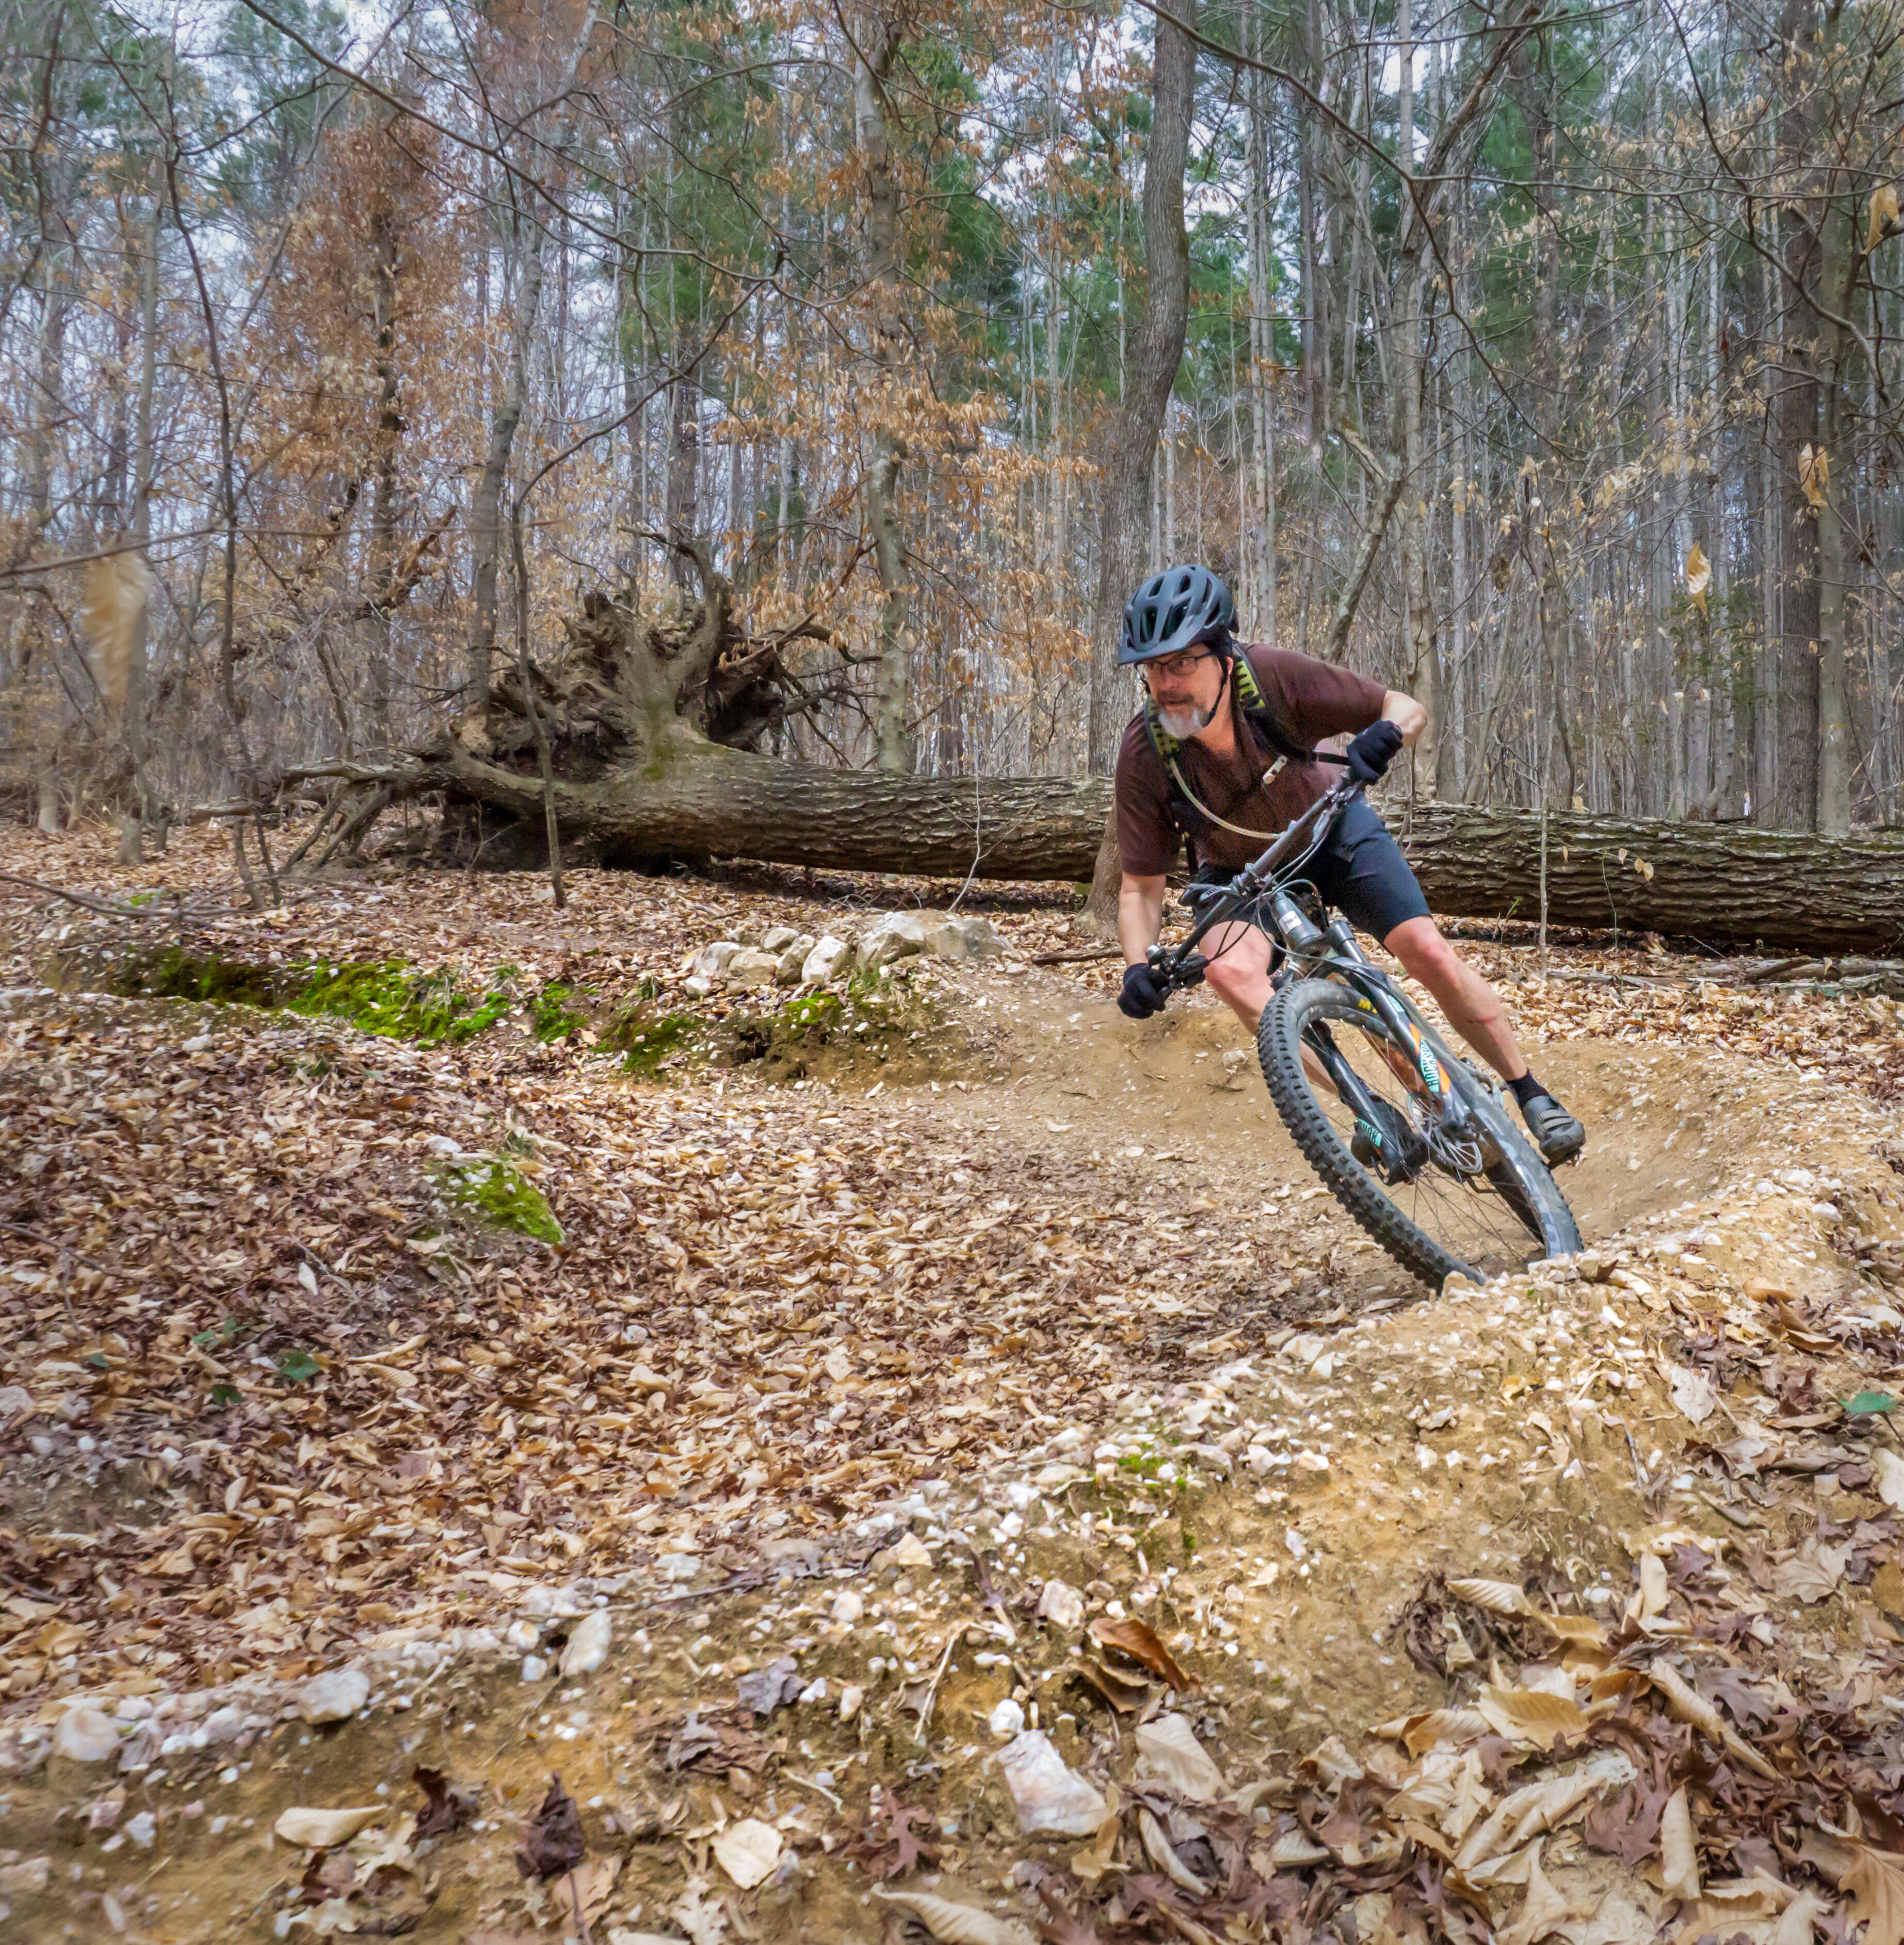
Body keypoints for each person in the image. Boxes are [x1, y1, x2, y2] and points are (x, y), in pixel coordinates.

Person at [1111, 563, 1585, 1169]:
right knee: (1230, 974)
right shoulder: (1146, 751)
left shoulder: (1277, 678)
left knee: (1425, 948)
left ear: (1224, 656)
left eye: (1180, 663)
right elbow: (1141, 888)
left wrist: (1384, 734)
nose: (1165, 684)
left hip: (1330, 827)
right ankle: (1369, 1106)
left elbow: (1403, 705)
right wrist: (1135, 967)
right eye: (1151, 669)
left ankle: (1529, 1091)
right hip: (1238, 875)